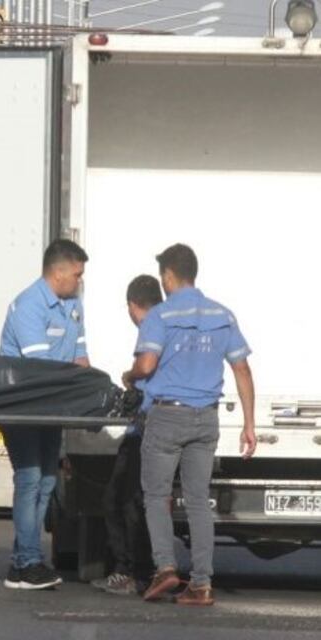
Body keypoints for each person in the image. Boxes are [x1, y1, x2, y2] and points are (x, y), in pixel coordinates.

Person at [123, 244, 256, 606]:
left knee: (156, 495)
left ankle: (165, 568)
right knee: (199, 502)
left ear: (167, 276)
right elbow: (241, 369)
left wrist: (129, 374)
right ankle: (201, 584)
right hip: (206, 418)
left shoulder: (160, 316)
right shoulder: (222, 314)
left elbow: (147, 366)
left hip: (168, 416)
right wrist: (248, 424)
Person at [0, 239, 90, 590]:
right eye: (77, 274)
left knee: (48, 482)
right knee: (30, 479)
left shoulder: (73, 304)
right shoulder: (29, 306)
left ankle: (22, 560)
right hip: (22, 406)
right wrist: (72, 374)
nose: (80, 281)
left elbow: (80, 358)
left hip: (51, 406)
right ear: (59, 271)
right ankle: (29, 562)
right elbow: (41, 367)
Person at [91, 275, 161, 596]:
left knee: (122, 500)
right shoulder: (171, 324)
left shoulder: (151, 327)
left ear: (133, 306)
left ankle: (131, 572)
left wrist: (129, 377)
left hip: (144, 427)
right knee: (137, 501)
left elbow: (145, 369)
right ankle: (145, 571)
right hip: (159, 426)